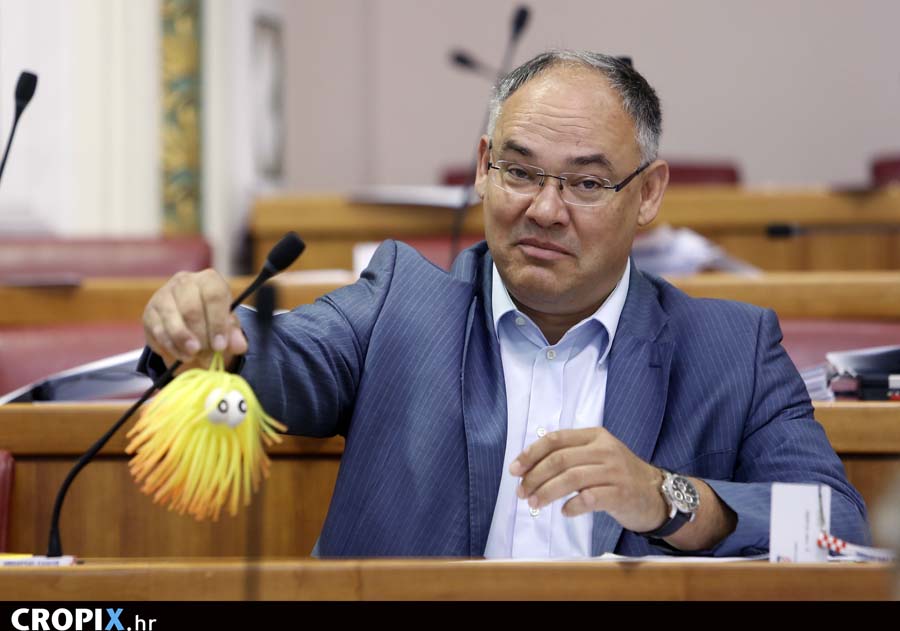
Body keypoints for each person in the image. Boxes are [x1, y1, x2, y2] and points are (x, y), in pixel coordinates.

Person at [141, 50, 870, 557]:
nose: (545, 209)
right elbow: (284, 360)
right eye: (520, 171)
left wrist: (666, 496)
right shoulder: (402, 304)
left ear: (648, 194)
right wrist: (212, 334)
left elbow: (836, 524)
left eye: (586, 184)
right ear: (484, 168)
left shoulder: (731, 349)